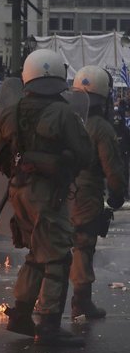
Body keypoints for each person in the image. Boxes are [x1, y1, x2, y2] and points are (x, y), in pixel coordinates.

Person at [0, 49, 92, 347]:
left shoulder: (11, 112)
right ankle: (48, 325)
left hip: (17, 190)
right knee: (58, 257)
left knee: (37, 253)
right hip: (49, 194)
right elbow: (85, 155)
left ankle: (21, 314)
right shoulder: (64, 113)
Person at [68, 66, 127, 319]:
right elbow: (112, 167)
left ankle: (44, 301)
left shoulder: (63, 118)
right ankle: (81, 301)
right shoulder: (101, 127)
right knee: (82, 247)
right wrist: (117, 194)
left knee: (52, 247)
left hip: (55, 192)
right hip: (86, 195)